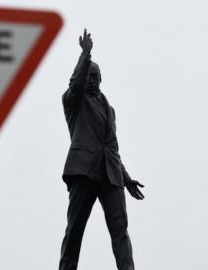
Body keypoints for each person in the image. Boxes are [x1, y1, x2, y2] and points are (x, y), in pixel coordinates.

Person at [59, 29, 145, 270]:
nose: (92, 79)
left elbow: (112, 148)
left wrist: (127, 180)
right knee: (75, 229)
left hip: (111, 174)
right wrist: (86, 54)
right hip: (84, 170)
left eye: (96, 75)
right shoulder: (73, 101)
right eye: (89, 75)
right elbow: (76, 83)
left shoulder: (110, 109)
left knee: (121, 231)